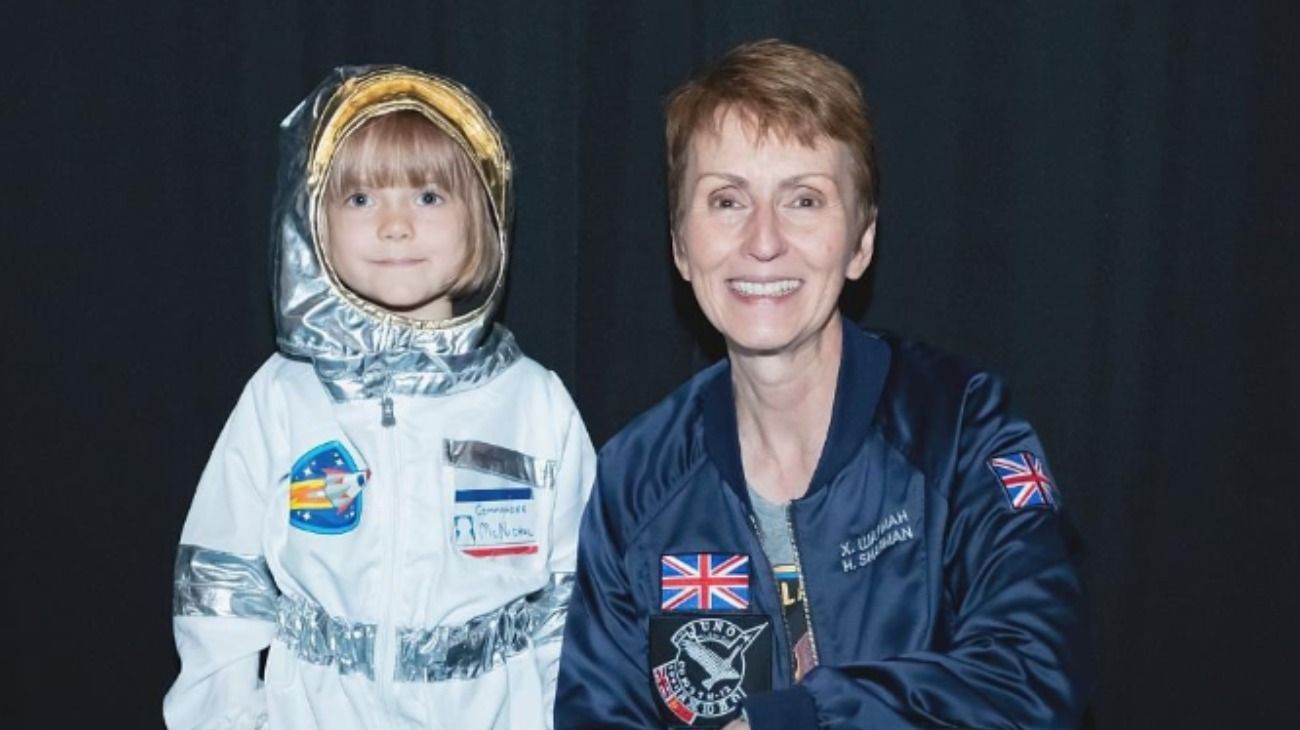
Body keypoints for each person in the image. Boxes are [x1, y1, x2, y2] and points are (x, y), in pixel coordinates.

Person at [556, 40, 1091, 729]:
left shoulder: (959, 430)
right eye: (726, 200)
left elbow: (1036, 677)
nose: (764, 240)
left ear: (861, 241)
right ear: (680, 245)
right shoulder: (635, 480)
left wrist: (798, 719)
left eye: (804, 200)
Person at [164, 66, 595, 730]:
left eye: (428, 196)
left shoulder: (533, 405)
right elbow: (220, 583)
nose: (395, 226)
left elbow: (577, 605)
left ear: (482, 214)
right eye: (360, 199)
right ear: (315, 225)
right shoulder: (285, 397)